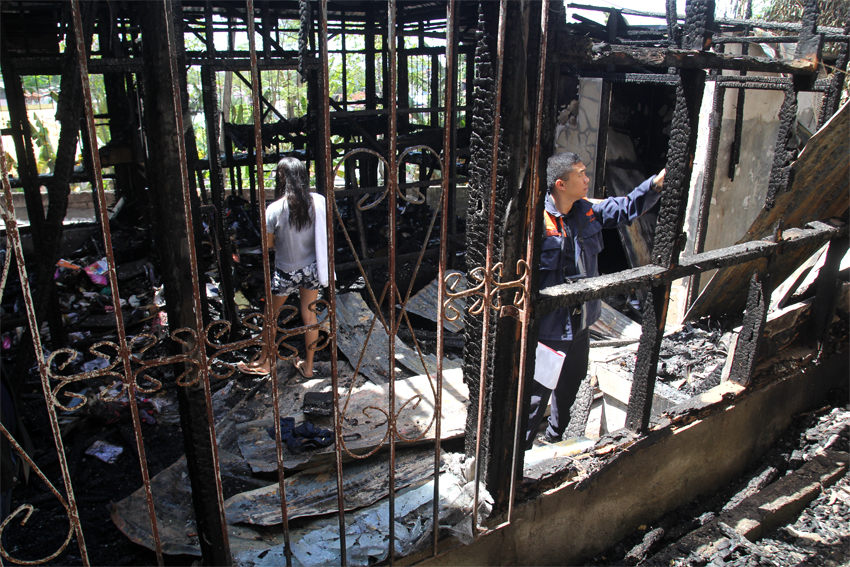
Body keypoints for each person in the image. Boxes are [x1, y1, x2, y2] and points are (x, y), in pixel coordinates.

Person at [525, 152, 665, 449]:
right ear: (561, 184)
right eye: (581, 174)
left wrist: (655, 184)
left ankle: (554, 440)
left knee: (569, 386)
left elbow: (626, 208)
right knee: (537, 395)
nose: (587, 179)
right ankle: (518, 454)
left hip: (581, 322)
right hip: (550, 328)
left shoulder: (587, 211)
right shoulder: (536, 222)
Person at [237, 157, 329, 378]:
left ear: (282, 177)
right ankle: (308, 367)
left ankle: (266, 361)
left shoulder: (274, 209)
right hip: (311, 270)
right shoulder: (317, 202)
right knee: (310, 318)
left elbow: (267, 245)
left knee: (271, 316)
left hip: (286, 272)